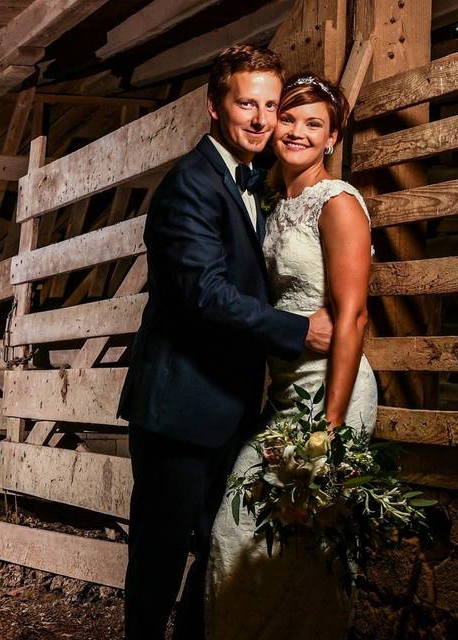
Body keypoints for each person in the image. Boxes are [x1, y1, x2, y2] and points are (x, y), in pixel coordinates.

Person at [114, 45, 335, 640]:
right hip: (179, 409)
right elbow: (207, 295)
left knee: (224, 547)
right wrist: (297, 331)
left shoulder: (256, 181)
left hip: (233, 406)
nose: (262, 119)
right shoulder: (189, 184)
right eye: (247, 104)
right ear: (216, 107)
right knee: (160, 556)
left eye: (271, 105)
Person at [205, 73, 376, 640]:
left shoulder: (338, 204)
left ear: (332, 139)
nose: (296, 131)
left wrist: (329, 428)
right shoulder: (273, 204)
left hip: (331, 393)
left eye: (314, 124)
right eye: (290, 118)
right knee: (239, 531)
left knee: (310, 550)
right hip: (283, 393)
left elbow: (351, 317)